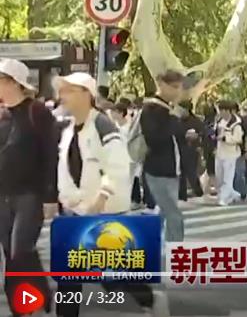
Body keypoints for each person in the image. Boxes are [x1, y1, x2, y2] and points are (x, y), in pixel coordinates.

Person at [51, 72, 168, 317]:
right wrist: (61, 198)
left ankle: (147, 297)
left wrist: (102, 195)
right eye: (62, 91)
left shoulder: (102, 125)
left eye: (70, 90)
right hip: (75, 209)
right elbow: (64, 168)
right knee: (69, 275)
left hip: (104, 210)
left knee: (111, 275)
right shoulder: (68, 130)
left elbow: (117, 164)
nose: (63, 96)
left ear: (87, 95)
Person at [0, 59, 58, 316]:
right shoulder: (2, 115)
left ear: (14, 83)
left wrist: (50, 196)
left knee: (20, 250)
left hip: (30, 194)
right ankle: (25, 301)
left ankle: (31, 298)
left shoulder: (37, 112)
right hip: (3, 195)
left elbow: (50, 155)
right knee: (10, 253)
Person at [140, 70, 187, 241]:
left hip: (172, 169)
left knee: (164, 211)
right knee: (173, 215)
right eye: (173, 86)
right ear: (161, 84)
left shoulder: (170, 109)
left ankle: (147, 243)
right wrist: (173, 119)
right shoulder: (151, 109)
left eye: (179, 87)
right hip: (157, 170)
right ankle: (175, 251)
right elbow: (154, 139)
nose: (177, 91)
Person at [214, 100, 244, 206]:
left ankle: (224, 198)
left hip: (230, 154)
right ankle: (234, 194)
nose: (220, 113)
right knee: (219, 177)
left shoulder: (236, 123)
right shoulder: (219, 121)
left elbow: (238, 139)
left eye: (222, 110)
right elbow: (215, 133)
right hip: (219, 152)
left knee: (228, 177)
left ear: (227, 111)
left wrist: (225, 138)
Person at [176, 101, 205, 200]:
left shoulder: (196, 121)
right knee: (181, 173)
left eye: (181, 109)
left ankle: (198, 191)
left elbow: (202, 133)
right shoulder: (178, 120)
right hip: (179, 148)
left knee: (191, 172)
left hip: (191, 149)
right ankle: (181, 194)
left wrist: (196, 137)